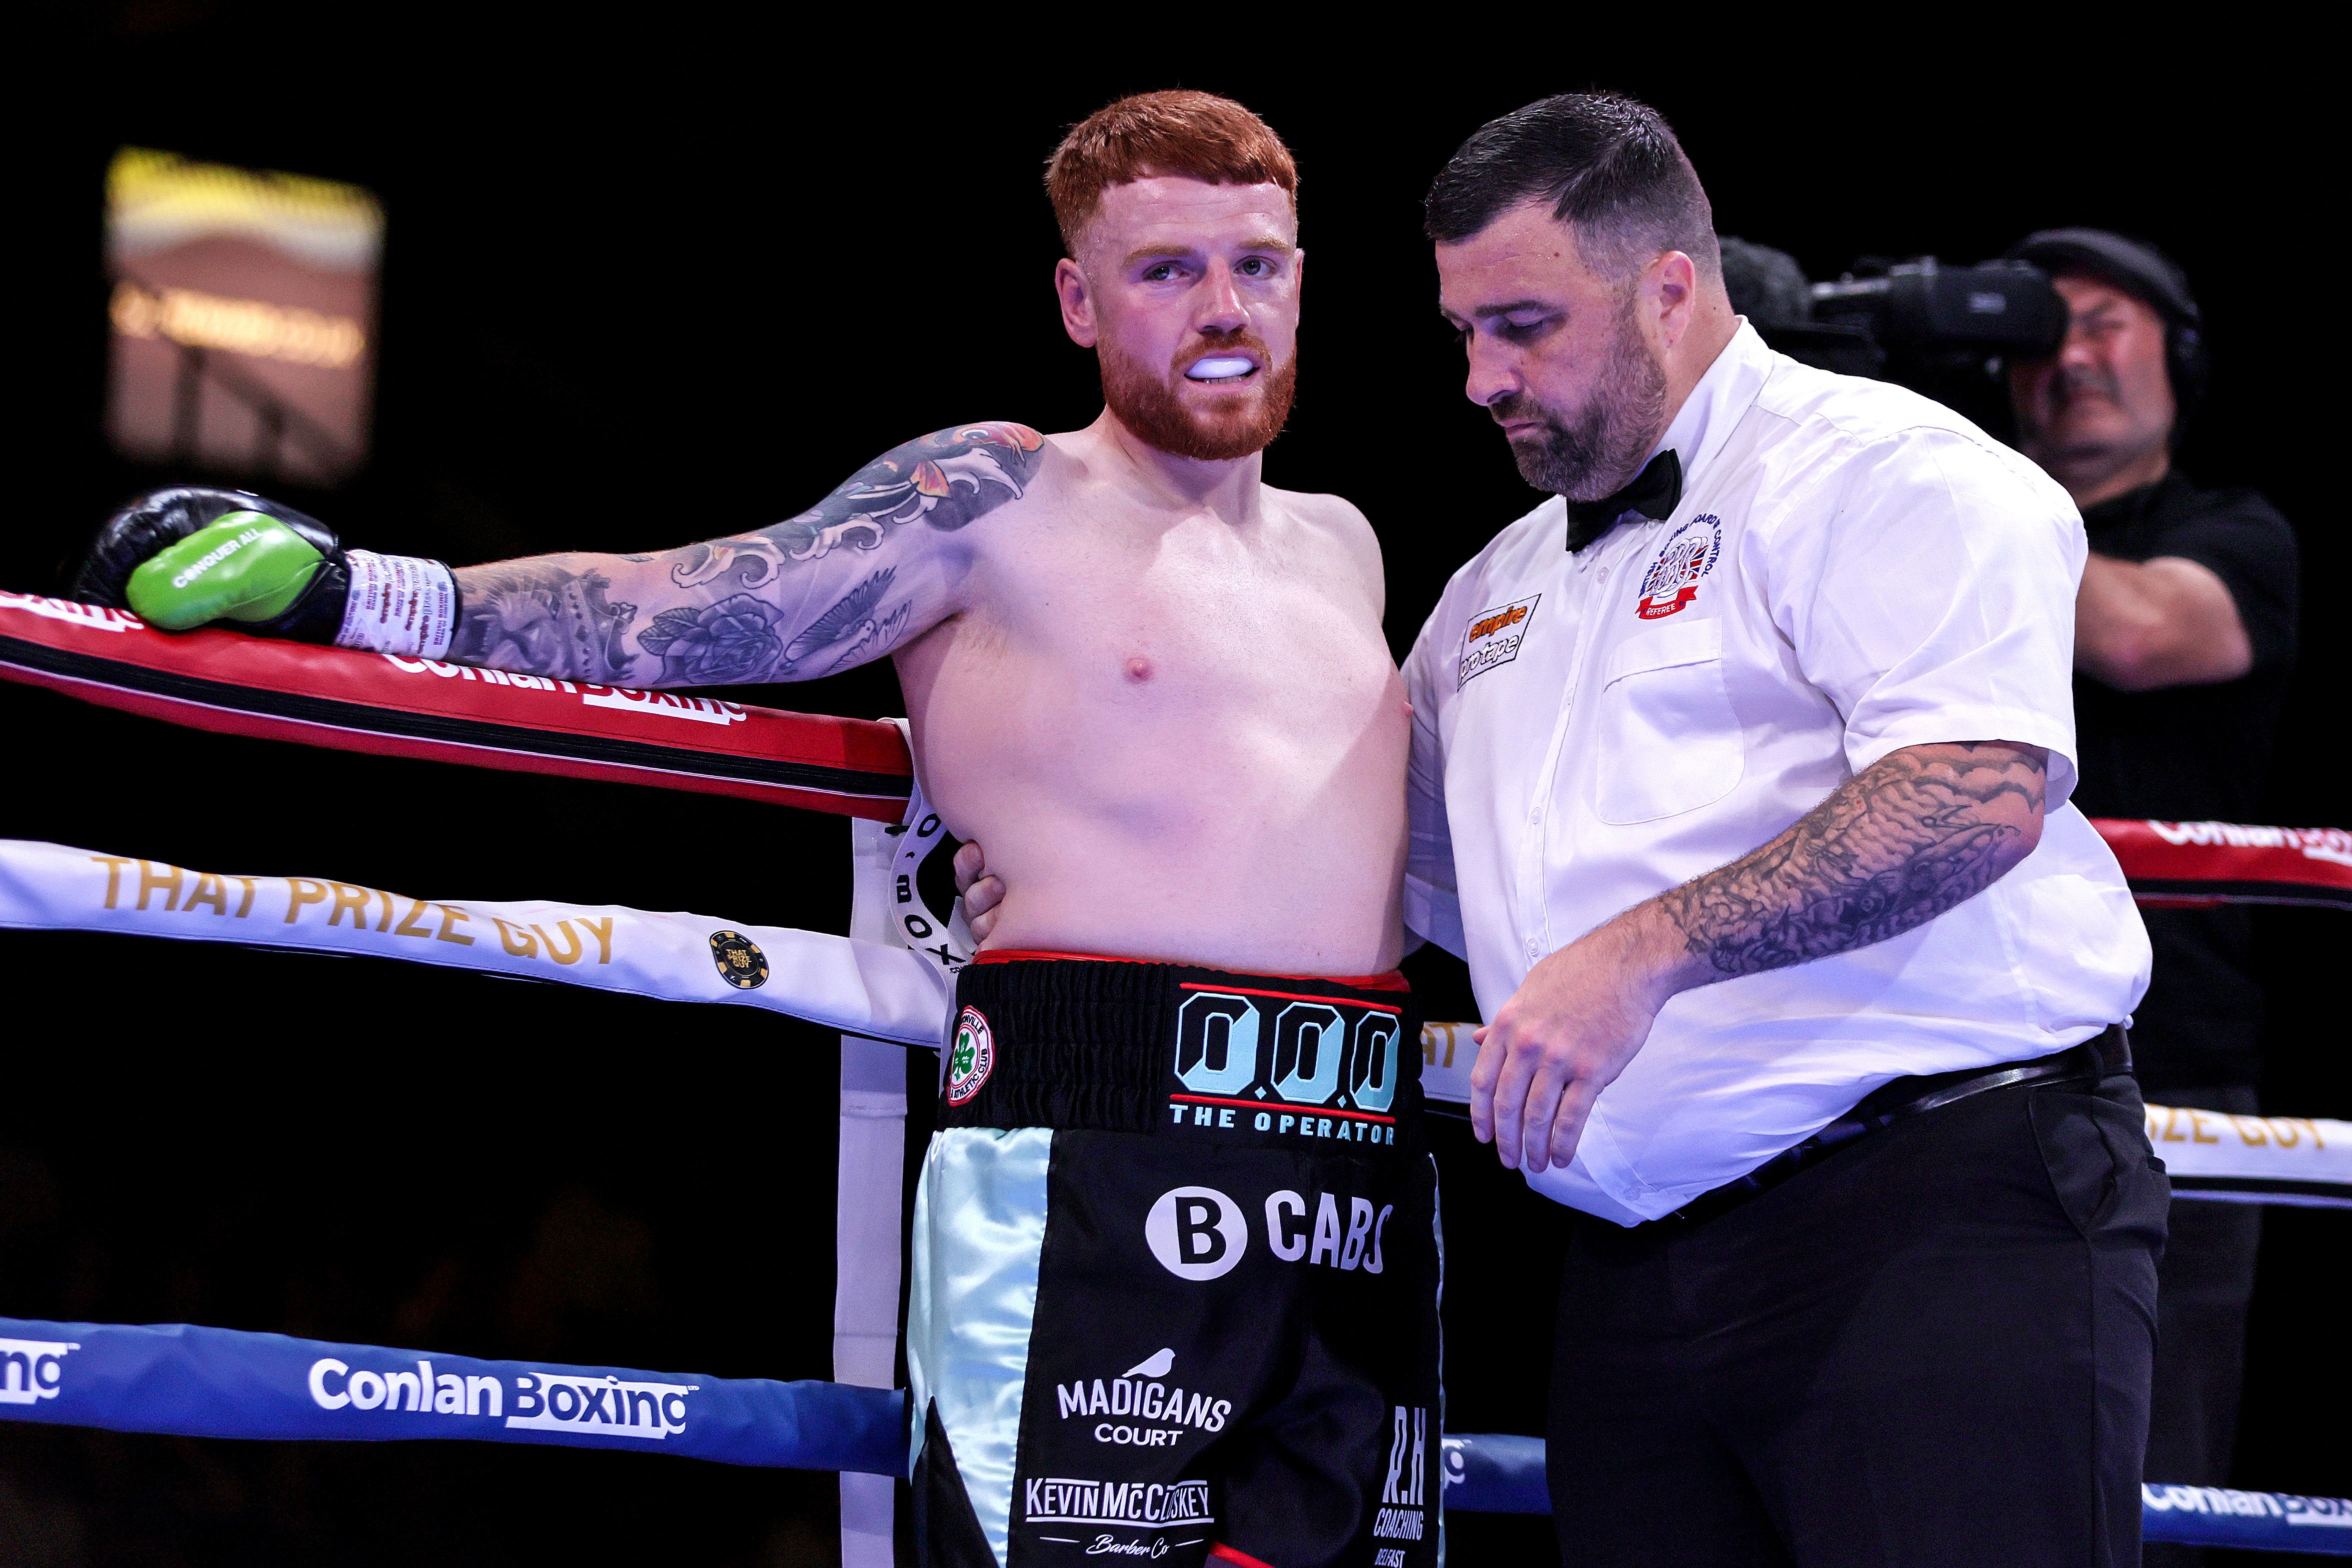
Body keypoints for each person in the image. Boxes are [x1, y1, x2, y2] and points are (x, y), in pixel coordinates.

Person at [69, 91, 1441, 1568]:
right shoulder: (995, 495)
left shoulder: (1347, 545)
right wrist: (368, 596)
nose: (1224, 307)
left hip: (1361, 1178)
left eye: (1256, 263)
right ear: (1078, 301)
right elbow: (695, 604)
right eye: (1167, 269)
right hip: (1102, 1159)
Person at [1403, 92, 2159, 1567]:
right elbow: (1372, 866)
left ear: (1667, 288)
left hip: (1935, 1216)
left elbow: (1977, 793)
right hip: (1634, 1274)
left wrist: (1641, 953)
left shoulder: (1884, 470)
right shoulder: (1490, 590)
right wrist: (1051, 866)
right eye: (1464, 333)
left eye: (1525, 326)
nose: (1483, 378)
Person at [2007, 227, 2301, 1566]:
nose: (2069, 356)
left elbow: (2135, 636)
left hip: (2177, 1061)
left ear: (2178, 356)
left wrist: (1939, 510)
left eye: (2102, 323)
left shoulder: (2234, 534)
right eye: (2039, 331)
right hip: (1973, 1053)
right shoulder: (1946, 531)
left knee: (2157, 1474)